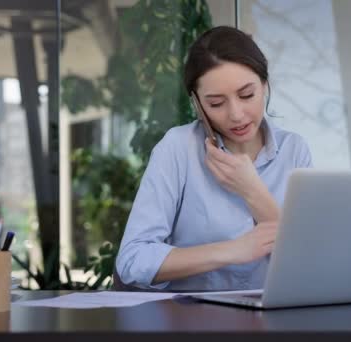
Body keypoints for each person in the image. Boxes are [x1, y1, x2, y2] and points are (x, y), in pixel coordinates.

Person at [116, 26, 312, 291]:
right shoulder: (178, 148)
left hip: (271, 322)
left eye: (247, 95)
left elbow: (309, 262)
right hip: (191, 322)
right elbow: (132, 261)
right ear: (197, 103)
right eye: (216, 103)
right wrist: (233, 250)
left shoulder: (294, 150)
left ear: (264, 85)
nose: (236, 115)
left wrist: (252, 190)